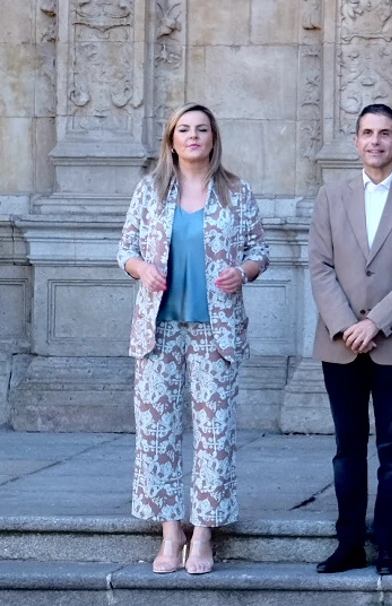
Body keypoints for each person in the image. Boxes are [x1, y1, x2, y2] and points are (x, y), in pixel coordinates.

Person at [117, 103, 269, 576]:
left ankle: (203, 534)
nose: (193, 136)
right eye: (184, 129)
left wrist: (243, 271)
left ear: (213, 137)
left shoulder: (236, 192)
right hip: (159, 329)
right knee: (157, 434)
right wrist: (142, 268)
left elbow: (260, 251)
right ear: (172, 139)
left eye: (202, 129)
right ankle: (170, 532)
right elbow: (126, 249)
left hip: (215, 330)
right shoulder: (150, 190)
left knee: (214, 433)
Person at [308, 105, 392, 576]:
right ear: (356, 140)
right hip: (339, 343)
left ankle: (388, 543)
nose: (376, 141)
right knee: (347, 447)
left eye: (385, 134)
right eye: (367, 133)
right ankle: (349, 544)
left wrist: (376, 322)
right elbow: (320, 266)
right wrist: (346, 325)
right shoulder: (331, 195)